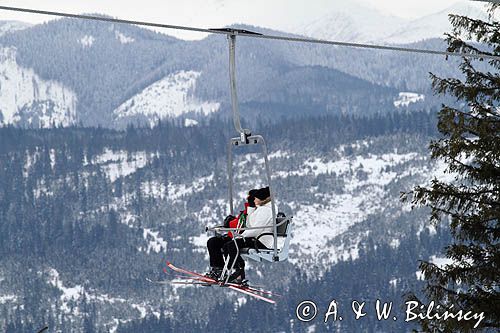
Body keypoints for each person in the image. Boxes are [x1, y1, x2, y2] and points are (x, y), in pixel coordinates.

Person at [205, 186, 274, 284]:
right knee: (214, 242)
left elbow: (255, 229)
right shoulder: (260, 209)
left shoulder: (265, 211)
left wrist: (239, 236)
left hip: (259, 239)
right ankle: (219, 269)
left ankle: (238, 272)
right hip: (252, 236)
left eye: (255, 198)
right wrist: (250, 207)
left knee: (231, 245)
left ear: (261, 199)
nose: (253, 200)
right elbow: (249, 224)